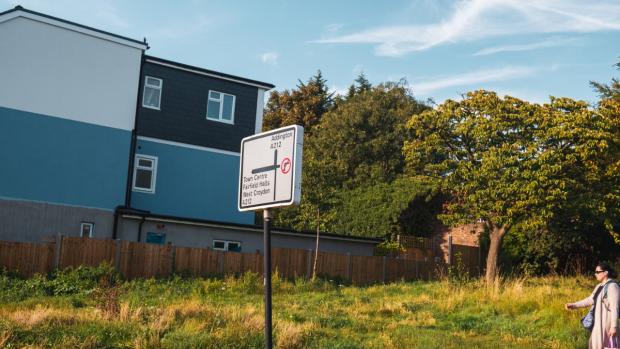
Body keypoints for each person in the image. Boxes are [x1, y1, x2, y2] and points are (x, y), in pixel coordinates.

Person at [565, 262, 619, 349]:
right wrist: (574, 305)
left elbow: (614, 308)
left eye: (598, 272)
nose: (595, 274)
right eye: (595, 272)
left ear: (606, 273)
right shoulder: (599, 286)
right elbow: (590, 300)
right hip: (597, 323)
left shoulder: (613, 286)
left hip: (606, 324)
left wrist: (614, 326)